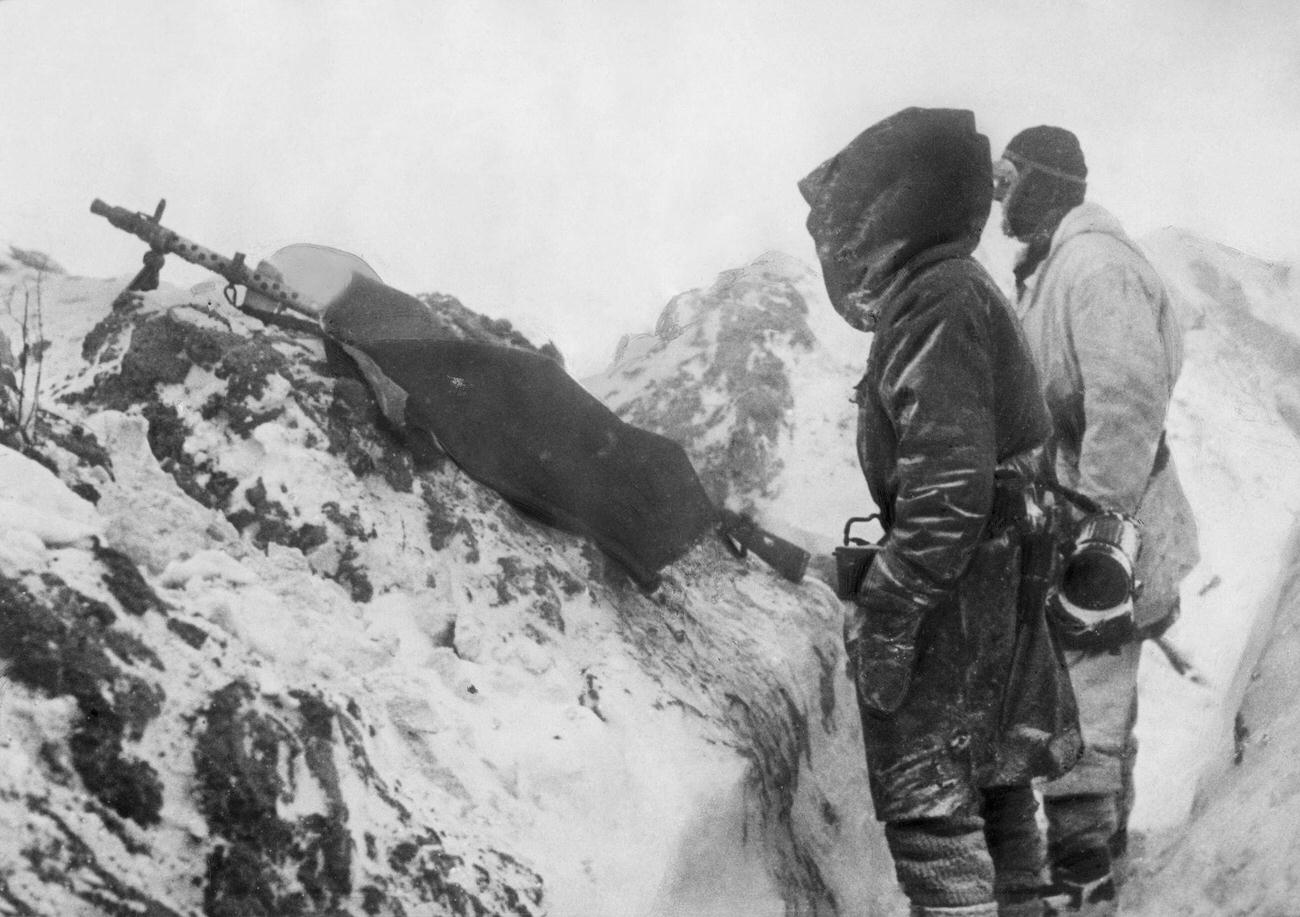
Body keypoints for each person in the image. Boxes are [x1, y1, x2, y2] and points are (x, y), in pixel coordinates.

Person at [800, 107, 1082, 917]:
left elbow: (948, 488)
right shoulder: (949, 289)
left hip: (965, 577)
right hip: (992, 563)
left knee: (933, 802)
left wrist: (889, 607)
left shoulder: (938, 301)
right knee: (990, 779)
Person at [993, 125, 1201, 915]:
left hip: (1108, 525)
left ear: (1044, 186)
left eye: (1008, 180)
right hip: (1083, 510)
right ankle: (1106, 850)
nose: (998, 200)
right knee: (1097, 691)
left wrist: (1099, 533)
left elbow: (1127, 398)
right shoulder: (1059, 267)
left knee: (1085, 698)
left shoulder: (1096, 269)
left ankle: (1085, 877)